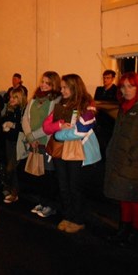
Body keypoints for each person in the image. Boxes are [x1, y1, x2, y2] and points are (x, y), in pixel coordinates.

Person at [43, 73, 101, 233]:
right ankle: (68, 216)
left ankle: (78, 219)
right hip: (61, 152)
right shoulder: (62, 104)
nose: (61, 91)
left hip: (79, 153)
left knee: (75, 187)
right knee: (63, 186)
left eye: (64, 87)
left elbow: (81, 130)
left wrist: (58, 134)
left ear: (74, 87)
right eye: (61, 87)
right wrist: (59, 126)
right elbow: (46, 125)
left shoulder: (87, 104)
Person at [104, 72, 138, 247]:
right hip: (120, 160)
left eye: (131, 86)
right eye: (123, 86)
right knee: (124, 197)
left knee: (136, 199)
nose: (126, 90)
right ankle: (123, 230)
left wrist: (132, 156)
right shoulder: (124, 107)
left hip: (135, 163)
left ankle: (136, 234)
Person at [22, 71, 61, 218]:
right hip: (34, 143)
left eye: (47, 83)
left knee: (49, 177)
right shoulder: (34, 99)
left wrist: (34, 136)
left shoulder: (56, 100)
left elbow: (51, 125)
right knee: (38, 175)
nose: (43, 85)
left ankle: (50, 205)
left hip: (47, 143)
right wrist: (30, 138)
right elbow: (25, 118)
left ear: (54, 85)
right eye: (42, 81)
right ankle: (42, 202)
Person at [0, 87, 27, 203]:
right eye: (11, 97)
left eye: (14, 97)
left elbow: (24, 127)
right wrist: (4, 125)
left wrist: (13, 125)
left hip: (19, 141)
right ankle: (10, 189)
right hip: (9, 141)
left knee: (12, 167)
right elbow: (3, 121)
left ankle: (14, 192)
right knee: (10, 166)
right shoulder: (9, 109)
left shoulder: (24, 110)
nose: (11, 99)